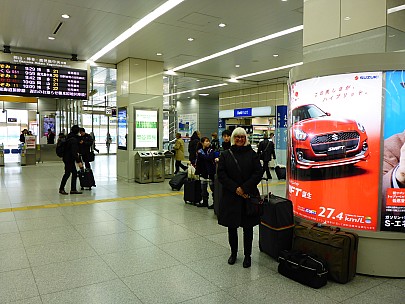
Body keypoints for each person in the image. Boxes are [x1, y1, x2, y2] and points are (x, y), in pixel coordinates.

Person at [217, 127, 262, 268]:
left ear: (246, 139)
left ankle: (247, 256)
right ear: (233, 138)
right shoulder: (225, 155)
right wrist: (235, 188)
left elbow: (258, 172)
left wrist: (244, 188)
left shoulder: (252, 154)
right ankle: (234, 253)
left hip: (247, 196)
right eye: (237, 137)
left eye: (242, 137)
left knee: (248, 228)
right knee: (232, 227)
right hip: (231, 197)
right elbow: (221, 174)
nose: (240, 139)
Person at [59, 125, 83, 195]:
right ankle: (62, 189)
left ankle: (73, 189)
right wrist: (79, 162)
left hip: (67, 158)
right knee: (67, 174)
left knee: (74, 173)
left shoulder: (69, 136)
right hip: (69, 159)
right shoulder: (73, 140)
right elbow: (74, 152)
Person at [195, 137, 216, 209]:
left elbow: (209, 158)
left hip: (210, 172)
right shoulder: (199, 151)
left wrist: (202, 155)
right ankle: (205, 202)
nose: (208, 143)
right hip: (203, 172)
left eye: (208, 141)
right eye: (206, 141)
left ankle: (215, 203)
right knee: (203, 188)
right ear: (202, 143)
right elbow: (198, 161)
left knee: (213, 188)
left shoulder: (211, 150)